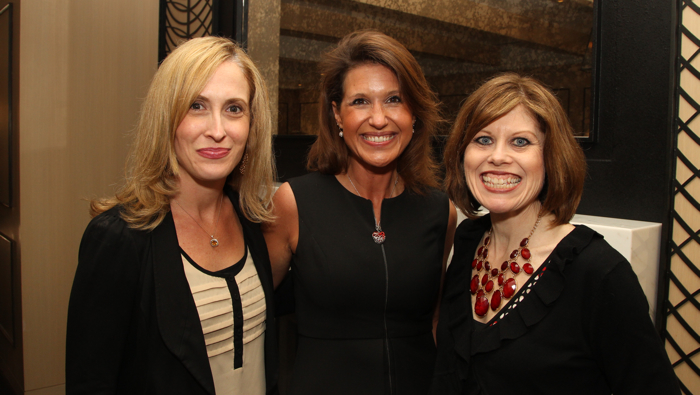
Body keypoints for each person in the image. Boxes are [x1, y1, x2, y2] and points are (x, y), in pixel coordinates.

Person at [431, 72, 680, 394]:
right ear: (461, 154)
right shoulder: (469, 241)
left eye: (520, 142)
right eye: (483, 139)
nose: (498, 157)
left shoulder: (599, 273)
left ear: (550, 157)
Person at [66, 36, 279, 395]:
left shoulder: (250, 220)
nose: (217, 129)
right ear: (167, 118)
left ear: (252, 125)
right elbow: (91, 381)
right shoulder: (119, 238)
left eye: (234, 109)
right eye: (197, 105)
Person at [263, 30, 457, 395]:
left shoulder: (439, 210)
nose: (379, 119)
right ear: (337, 114)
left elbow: (434, 320)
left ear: (413, 113)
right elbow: (255, 312)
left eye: (394, 100)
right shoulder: (294, 203)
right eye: (360, 102)